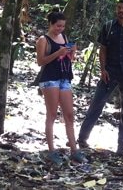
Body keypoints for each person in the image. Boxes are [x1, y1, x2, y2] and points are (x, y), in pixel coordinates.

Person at [77, 0, 123, 156]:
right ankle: (82, 138)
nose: (121, 10)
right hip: (110, 72)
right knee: (97, 103)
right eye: (119, 7)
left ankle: (121, 147)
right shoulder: (108, 26)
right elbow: (103, 49)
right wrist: (103, 69)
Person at [36, 11, 87, 166]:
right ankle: (51, 151)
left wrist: (72, 53)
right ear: (51, 24)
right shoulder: (43, 40)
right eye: (58, 25)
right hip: (50, 78)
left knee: (69, 114)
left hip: (64, 77)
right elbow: (40, 61)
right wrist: (58, 52)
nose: (60, 29)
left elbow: (69, 60)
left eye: (63, 26)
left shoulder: (64, 37)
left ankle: (74, 150)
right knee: (52, 114)